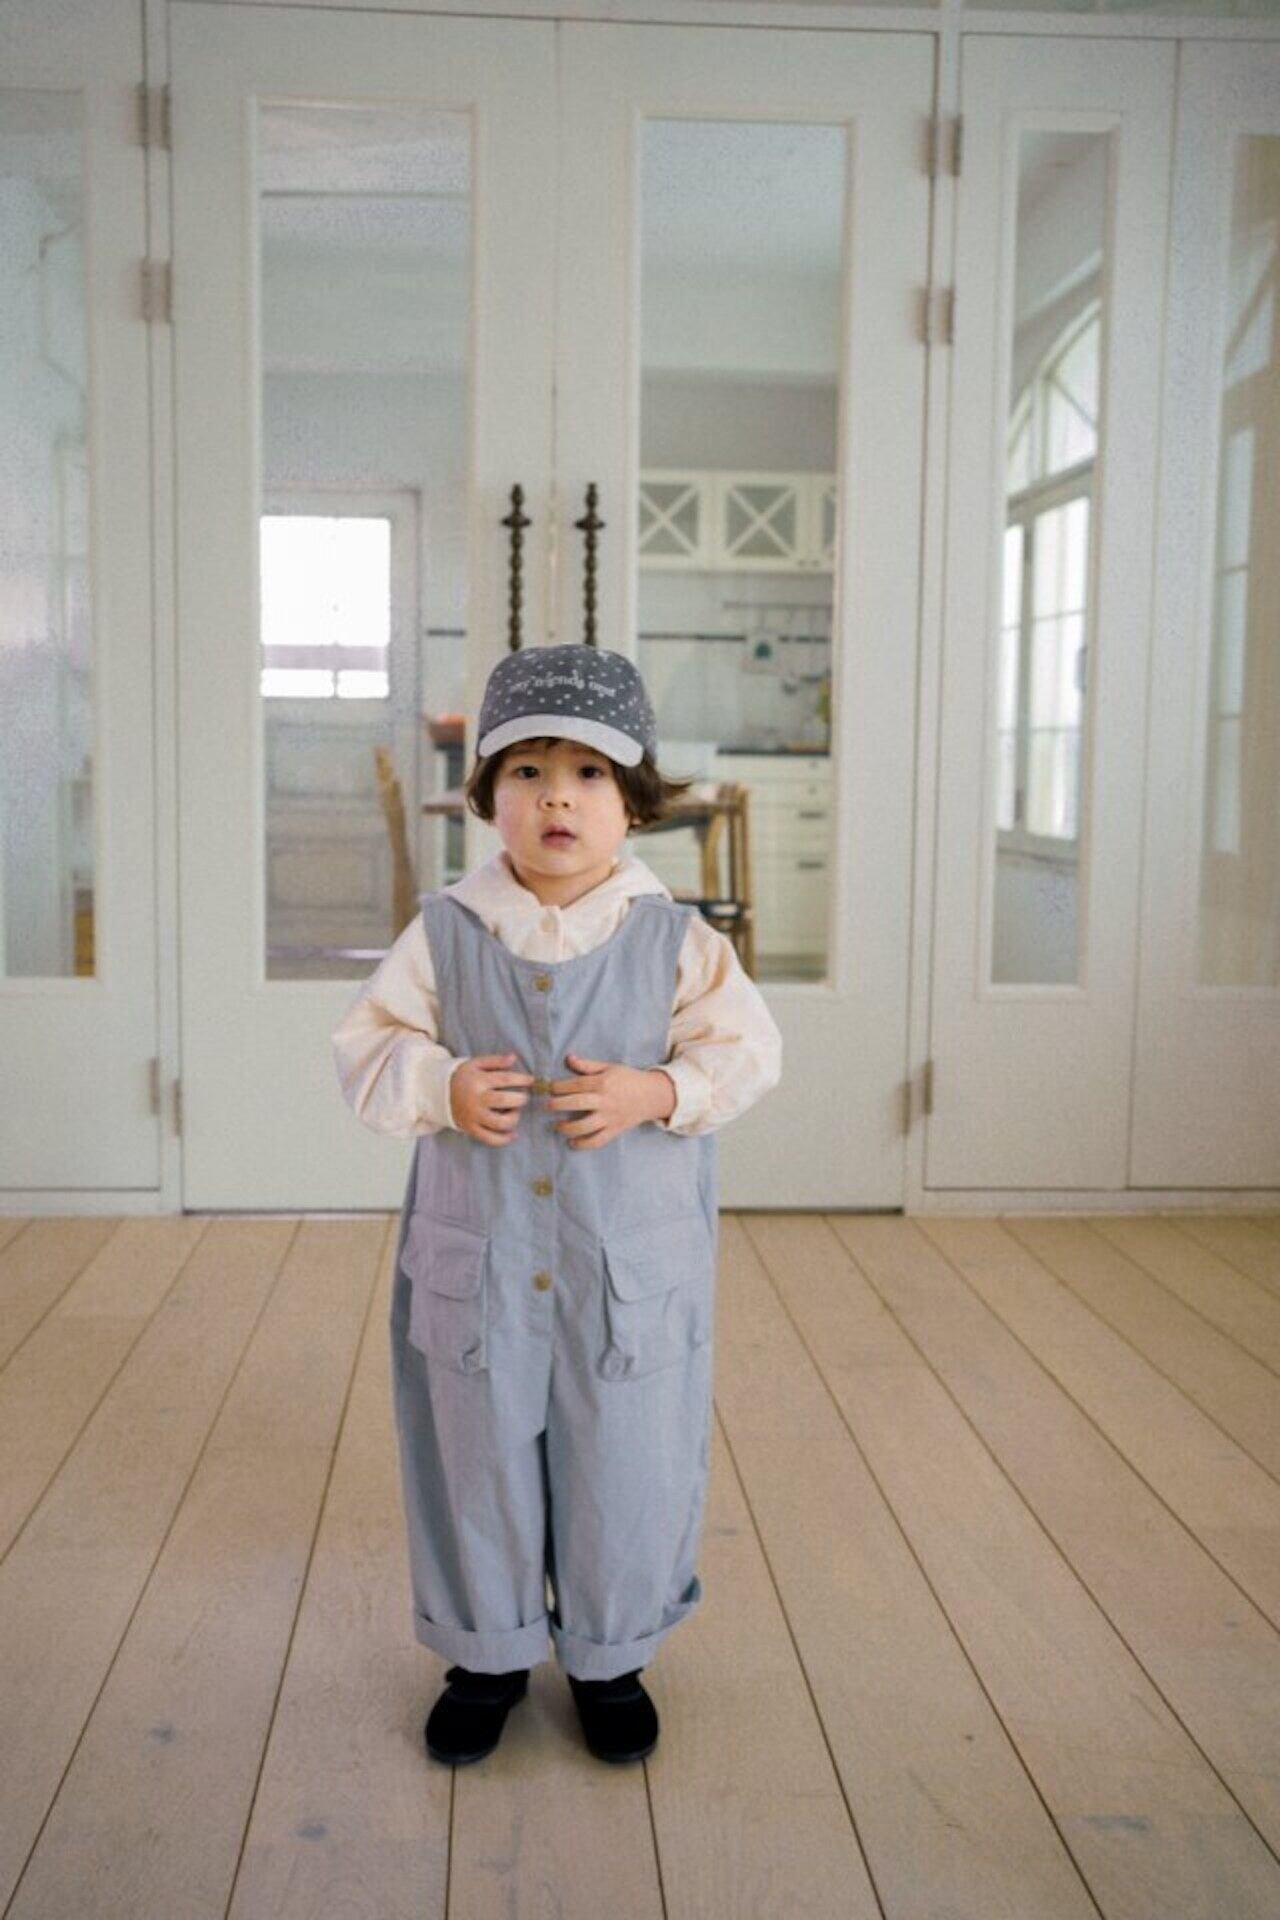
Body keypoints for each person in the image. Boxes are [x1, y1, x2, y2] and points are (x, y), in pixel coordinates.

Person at [331, 643, 783, 1767]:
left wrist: (657, 1091)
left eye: (588, 775)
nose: (557, 800)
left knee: (624, 1457)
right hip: (480, 1266)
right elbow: (367, 1049)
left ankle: (609, 1655)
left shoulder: (675, 940)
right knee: (472, 1451)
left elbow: (747, 1053)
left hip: (621, 1272)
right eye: (527, 773)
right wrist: (439, 1082)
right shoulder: (445, 932)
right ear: (489, 797)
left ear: (633, 802)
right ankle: (483, 1654)